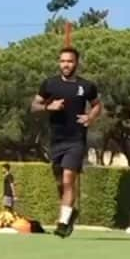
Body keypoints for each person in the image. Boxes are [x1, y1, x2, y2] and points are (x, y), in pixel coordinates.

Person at [31, 46, 102, 238]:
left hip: (76, 140)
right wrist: (49, 106)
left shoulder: (86, 86)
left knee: (68, 179)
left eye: (69, 61)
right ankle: (70, 213)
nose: (66, 65)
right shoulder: (49, 84)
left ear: (76, 63)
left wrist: (90, 117)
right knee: (59, 182)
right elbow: (34, 106)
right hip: (56, 140)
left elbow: (97, 105)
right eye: (63, 61)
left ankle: (62, 223)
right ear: (59, 63)